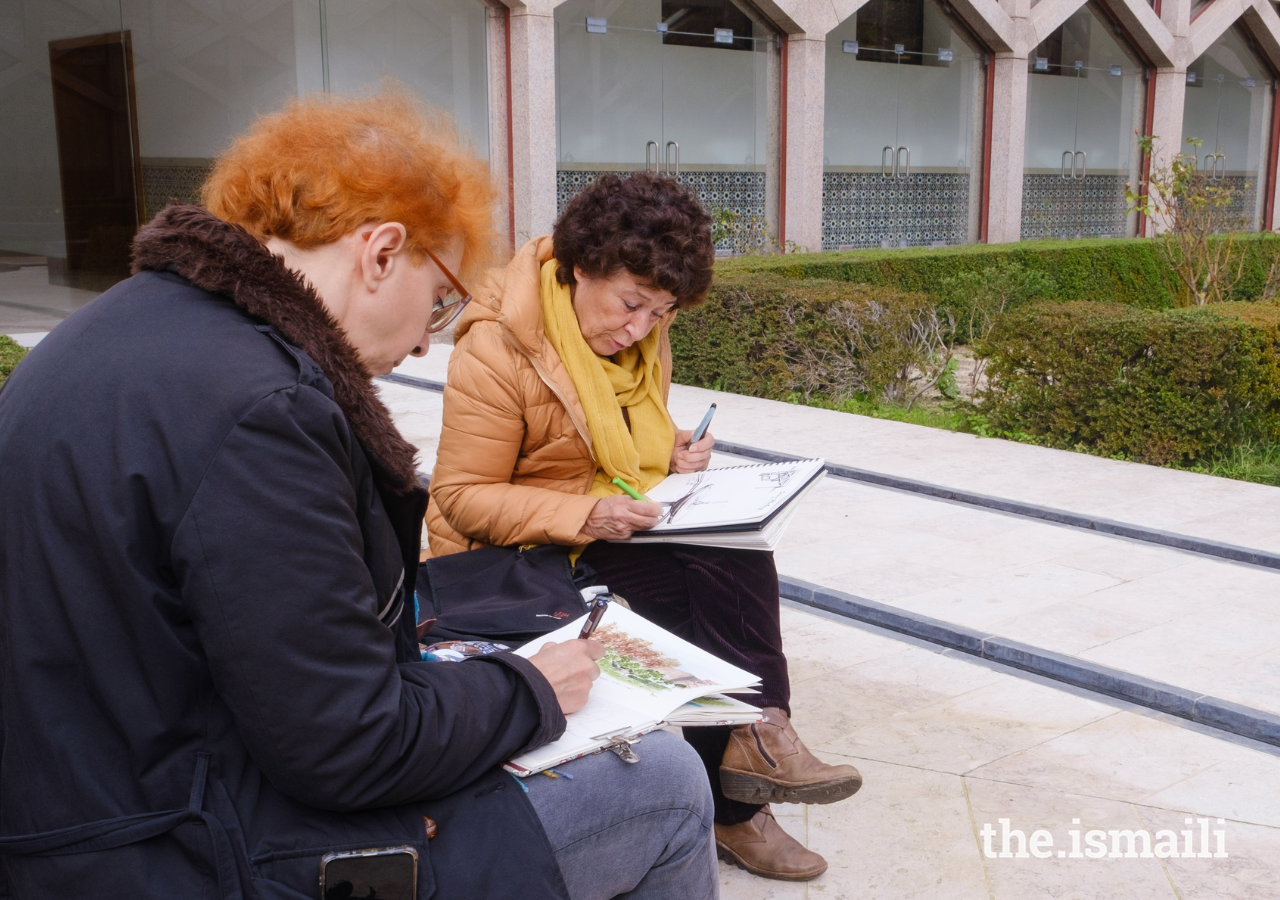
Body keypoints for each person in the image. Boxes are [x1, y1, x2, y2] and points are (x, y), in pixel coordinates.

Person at [0, 93, 717, 900]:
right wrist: (529, 690)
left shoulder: (118, 330)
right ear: (380, 253)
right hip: (175, 844)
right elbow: (350, 745)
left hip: (96, 791)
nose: (423, 341)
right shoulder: (263, 411)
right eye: (440, 299)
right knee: (663, 782)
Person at [426, 171, 863, 882]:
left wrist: (672, 450)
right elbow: (460, 496)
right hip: (514, 555)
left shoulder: (640, 338)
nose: (640, 328)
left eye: (660, 313)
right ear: (577, 269)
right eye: (631, 304)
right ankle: (743, 789)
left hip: (610, 523)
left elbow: (615, 442)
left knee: (731, 551)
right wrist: (586, 512)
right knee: (705, 579)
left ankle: (756, 739)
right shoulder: (499, 348)